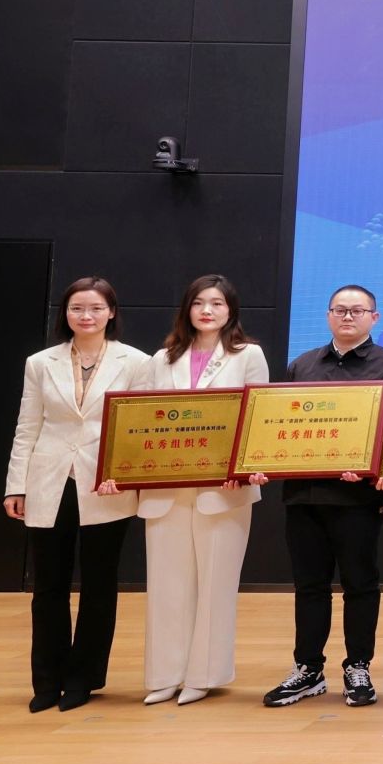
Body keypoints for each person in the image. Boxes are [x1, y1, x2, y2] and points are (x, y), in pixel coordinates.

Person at [115, 275, 270, 706]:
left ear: (230, 311)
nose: (207, 310)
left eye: (217, 303)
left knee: (216, 584)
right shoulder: (162, 358)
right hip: (167, 486)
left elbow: (257, 416)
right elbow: (141, 419)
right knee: (167, 585)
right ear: (187, 309)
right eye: (199, 302)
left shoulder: (248, 354)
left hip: (224, 487)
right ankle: (165, 675)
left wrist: (243, 469)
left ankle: (204, 675)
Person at [261, 285, 383, 709]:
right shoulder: (302, 365)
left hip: (357, 498)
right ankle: (308, 669)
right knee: (309, 585)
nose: (348, 317)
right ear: (328, 315)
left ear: (374, 318)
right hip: (304, 495)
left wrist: (374, 469)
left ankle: (357, 666)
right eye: (340, 310)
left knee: (360, 584)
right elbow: (280, 426)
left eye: (357, 310)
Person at [3, 277, 147, 712]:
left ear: (111, 313)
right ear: (65, 313)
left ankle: (83, 679)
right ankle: (47, 681)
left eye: (96, 308)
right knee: (48, 585)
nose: (86, 316)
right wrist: (16, 485)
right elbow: (27, 425)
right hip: (49, 478)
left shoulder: (136, 362)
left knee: (99, 584)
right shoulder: (39, 362)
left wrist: (123, 472)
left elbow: (138, 426)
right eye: (77, 308)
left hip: (106, 482)